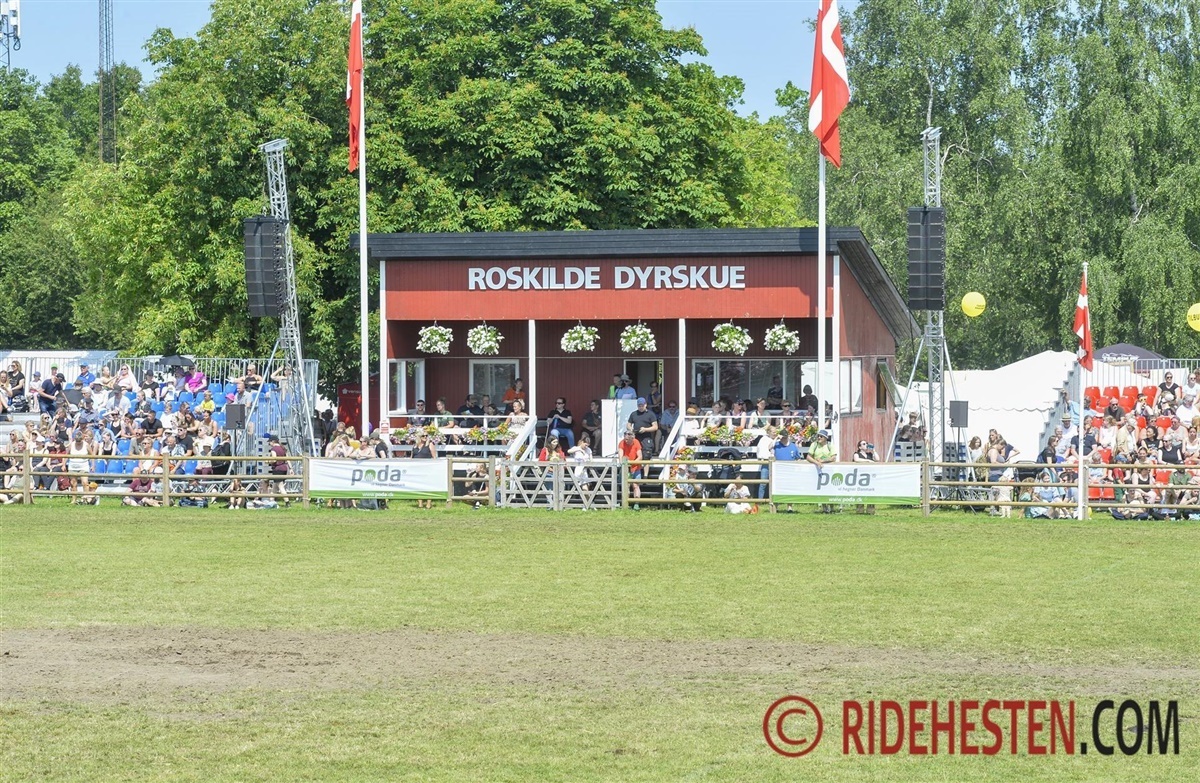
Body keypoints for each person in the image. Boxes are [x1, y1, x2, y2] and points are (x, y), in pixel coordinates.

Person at [806, 429, 837, 513]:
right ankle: (824, 507)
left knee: (830, 488)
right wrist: (817, 463)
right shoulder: (814, 445)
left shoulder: (830, 445)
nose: (819, 438)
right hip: (817, 470)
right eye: (818, 436)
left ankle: (832, 506)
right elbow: (808, 457)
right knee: (821, 488)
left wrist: (823, 461)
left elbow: (833, 458)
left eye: (821, 436)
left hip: (829, 470)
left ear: (825, 438)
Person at [772, 429, 801, 512]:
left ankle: (789, 507)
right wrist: (776, 438)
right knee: (777, 489)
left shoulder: (793, 446)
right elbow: (769, 447)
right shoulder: (776, 445)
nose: (784, 439)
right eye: (782, 437)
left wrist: (798, 468)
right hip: (778, 471)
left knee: (789, 488)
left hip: (790, 471)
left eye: (785, 437)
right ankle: (776, 506)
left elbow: (798, 458)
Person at [851, 440, 878, 514]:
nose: (866, 445)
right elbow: (856, 460)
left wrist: (874, 450)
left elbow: (877, 459)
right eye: (864, 444)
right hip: (860, 477)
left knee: (871, 492)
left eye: (866, 443)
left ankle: (870, 510)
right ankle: (860, 510)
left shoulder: (869, 454)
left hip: (870, 476)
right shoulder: (857, 454)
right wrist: (868, 461)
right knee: (860, 492)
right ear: (860, 447)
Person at [617, 428, 643, 505]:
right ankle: (625, 504)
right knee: (626, 486)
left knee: (636, 486)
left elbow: (640, 456)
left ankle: (636, 504)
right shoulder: (622, 443)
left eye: (628, 439)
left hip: (636, 467)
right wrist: (622, 463)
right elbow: (620, 455)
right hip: (626, 467)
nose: (626, 440)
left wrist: (632, 463)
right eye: (625, 438)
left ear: (632, 438)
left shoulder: (636, 442)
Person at [412, 432, 436, 509]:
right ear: (419, 437)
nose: (425, 437)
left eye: (426, 435)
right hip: (417, 469)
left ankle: (428, 504)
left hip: (427, 468)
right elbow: (412, 457)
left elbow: (434, 457)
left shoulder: (430, 444)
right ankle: (420, 503)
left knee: (428, 486)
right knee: (418, 486)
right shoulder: (415, 446)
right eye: (423, 436)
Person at [755, 426, 777, 500]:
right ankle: (760, 500)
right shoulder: (764, 439)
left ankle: (774, 500)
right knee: (763, 482)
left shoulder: (776, 440)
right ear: (768, 432)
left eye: (776, 432)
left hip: (775, 463)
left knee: (775, 483)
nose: (775, 433)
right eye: (773, 432)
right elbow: (769, 447)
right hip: (766, 462)